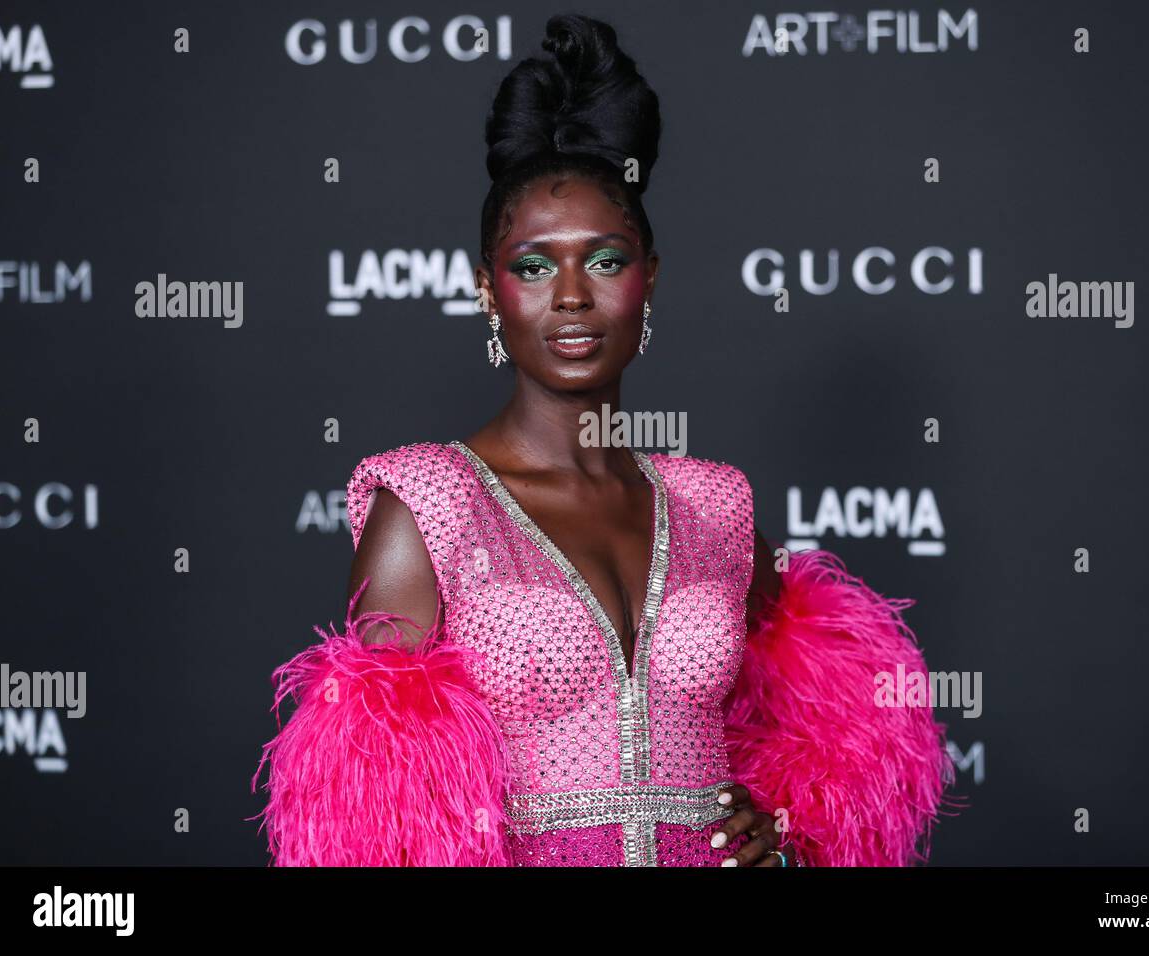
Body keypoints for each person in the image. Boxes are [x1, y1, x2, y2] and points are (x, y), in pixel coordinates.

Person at [251, 13, 955, 868]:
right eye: (535, 265)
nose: (573, 296)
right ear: (487, 288)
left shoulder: (713, 504)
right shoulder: (430, 503)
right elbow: (375, 821)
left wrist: (795, 833)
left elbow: (842, 703)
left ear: (649, 277)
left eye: (607, 260)